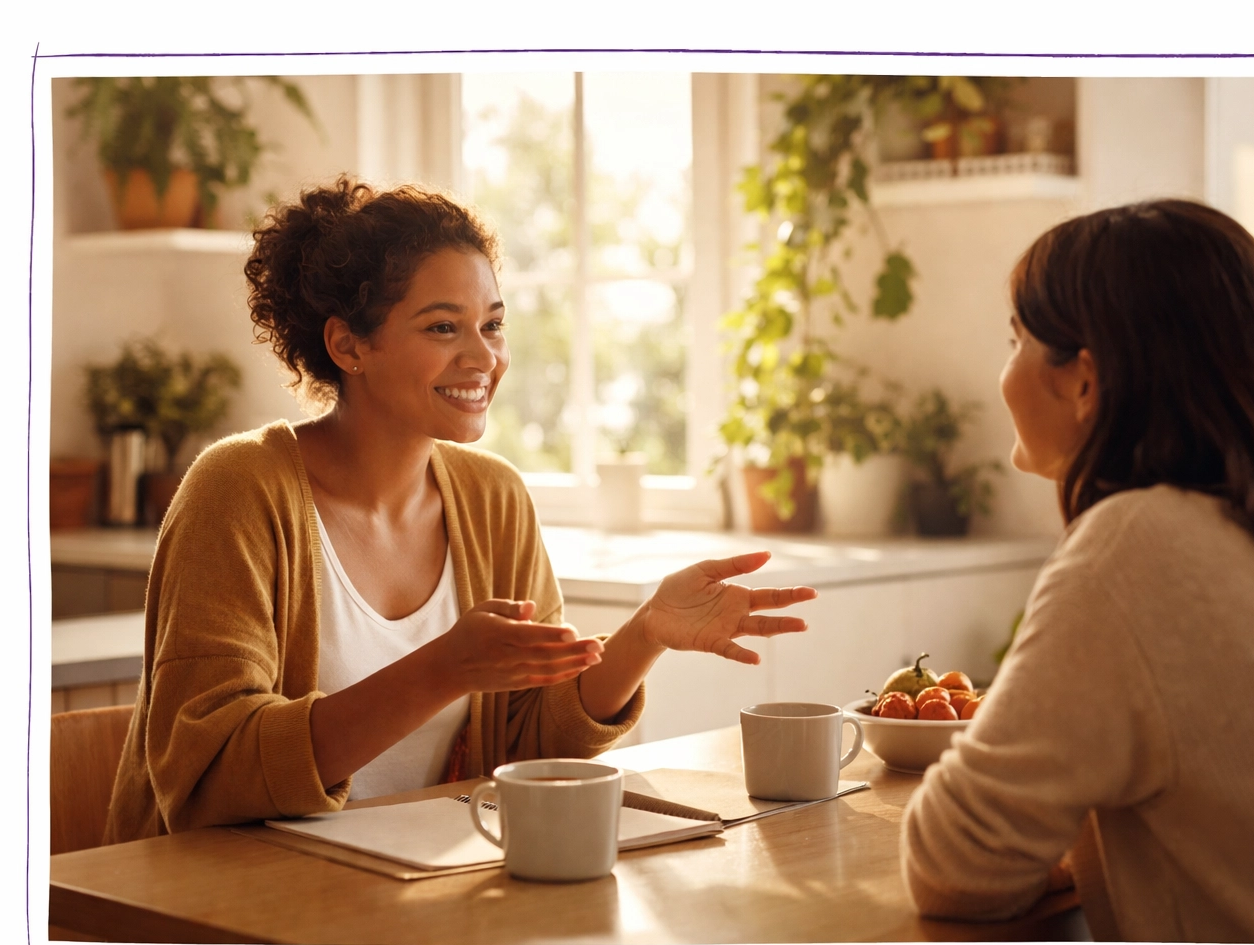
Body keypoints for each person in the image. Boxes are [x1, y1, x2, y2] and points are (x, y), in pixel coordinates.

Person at [104, 178, 817, 843]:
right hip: (222, 905)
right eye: (444, 328)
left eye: (493, 325)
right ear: (348, 345)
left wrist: (644, 636)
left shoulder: (493, 497)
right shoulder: (239, 489)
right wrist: (442, 670)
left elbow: (529, 747)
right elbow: (209, 779)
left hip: (413, 889)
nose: (484, 358)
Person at [900, 199, 1254, 943]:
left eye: (1014, 339)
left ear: (1084, 382)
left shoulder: (1135, 546)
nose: (1003, 373)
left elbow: (956, 865)